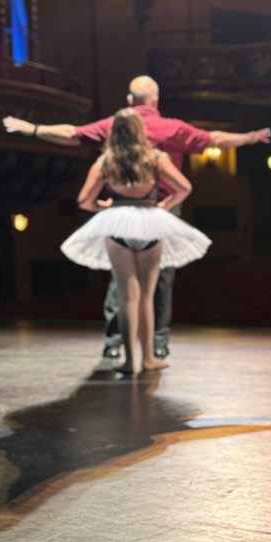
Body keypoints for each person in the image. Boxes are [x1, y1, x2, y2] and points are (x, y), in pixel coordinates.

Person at [3, 76, 271, 360]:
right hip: (158, 213)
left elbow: (71, 134)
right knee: (160, 281)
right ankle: (156, 343)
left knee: (121, 282)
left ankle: (115, 341)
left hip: (119, 213)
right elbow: (213, 140)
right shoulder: (169, 130)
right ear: (155, 100)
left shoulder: (113, 127)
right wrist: (249, 137)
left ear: (130, 101)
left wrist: (32, 129)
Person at [60, 108, 210, 376]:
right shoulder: (155, 158)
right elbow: (185, 188)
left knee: (128, 296)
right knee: (147, 297)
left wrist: (103, 206)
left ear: (114, 133)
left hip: (117, 224)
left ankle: (129, 361)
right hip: (150, 223)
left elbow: (84, 200)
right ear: (140, 132)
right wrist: (165, 206)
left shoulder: (106, 162)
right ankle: (148, 358)